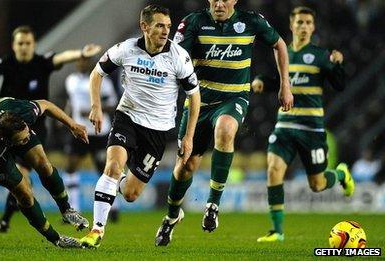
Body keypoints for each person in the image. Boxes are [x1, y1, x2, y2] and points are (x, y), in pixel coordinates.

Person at [155, 0, 293, 247]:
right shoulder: (193, 22)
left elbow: (280, 45)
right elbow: (173, 59)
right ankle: (172, 215)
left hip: (233, 98)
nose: (219, 3)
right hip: (199, 103)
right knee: (185, 167)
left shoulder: (251, 21)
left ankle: (212, 205)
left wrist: (285, 85)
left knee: (226, 128)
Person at [0, 25, 101, 233]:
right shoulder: (8, 63)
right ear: (13, 45)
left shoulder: (41, 63)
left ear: (33, 44)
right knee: (22, 181)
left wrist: (80, 53)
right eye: (20, 43)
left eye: (27, 43)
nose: (24, 47)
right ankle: (9, 219)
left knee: (42, 166)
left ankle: (63, 210)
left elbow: (62, 57)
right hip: (1, 129)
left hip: (31, 124)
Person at [78, 5, 201, 249]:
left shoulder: (178, 57)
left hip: (158, 130)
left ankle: (116, 182)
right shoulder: (126, 49)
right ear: (144, 27)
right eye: (159, 26)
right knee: (112, 166)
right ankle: (97, 230)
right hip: (128, 118)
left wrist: (188, 136)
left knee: (131, 194)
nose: (165, 31)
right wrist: (96, 106)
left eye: (168, 26)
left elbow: (194, 96)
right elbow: (97, 73)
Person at [252, 6, 354, 243]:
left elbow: (339, 85)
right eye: (300, 22)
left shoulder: (320, 55)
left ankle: (340, 174)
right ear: (291, 25)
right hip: (285, 126)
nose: (304, 27)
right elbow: (279, 82)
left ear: (313, 27)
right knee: (273, 171)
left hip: (312, 129)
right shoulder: (283, 53)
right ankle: (277, 231)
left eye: (308, 23)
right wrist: (261, 82)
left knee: (317, 185)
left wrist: (337, 65)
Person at [0, 97, 90, 250]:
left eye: (27, 133)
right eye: (23, 140)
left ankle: (67, 210)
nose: (28, 139)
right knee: (24, 194)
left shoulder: (22, 112)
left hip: (3, 119)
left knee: (44, 165)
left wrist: (72, 125)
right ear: (7, 141)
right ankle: (57, 239)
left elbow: (46, 105)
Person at [63, 58, 120, 219]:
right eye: (80, 61)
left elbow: (113, 103)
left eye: (85, 62)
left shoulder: (103, 81)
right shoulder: (71, 80)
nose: (81, 64)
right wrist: (65, 119)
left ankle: (113, 207)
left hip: (99, 131)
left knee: (105, 169)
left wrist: (92, 110)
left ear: (91, 64)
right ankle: (72, 209)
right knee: (71, 166)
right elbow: (71, 102)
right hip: (78, 131)